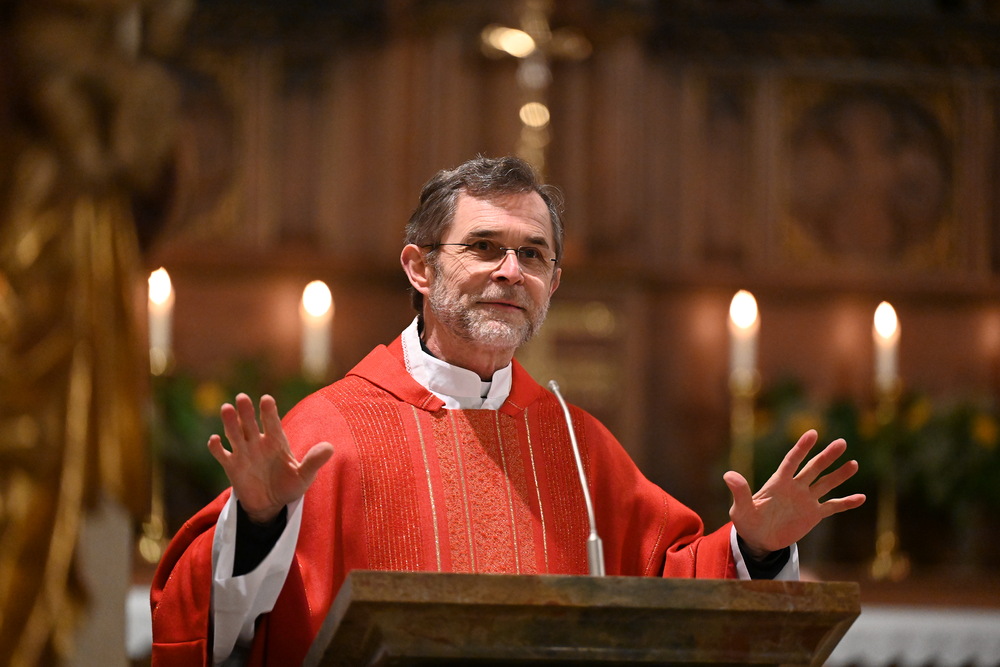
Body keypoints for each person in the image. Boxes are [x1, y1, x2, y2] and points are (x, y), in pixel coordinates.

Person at [149, 156, 866, 666]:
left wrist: (754, 550)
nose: (511, 272)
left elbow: (668, 589)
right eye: (484, 247)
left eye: (533, 254)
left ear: (554, 281)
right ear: (420, 267)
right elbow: (198, 620)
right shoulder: (329, 433)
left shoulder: (577, 446)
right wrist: (259, 525)